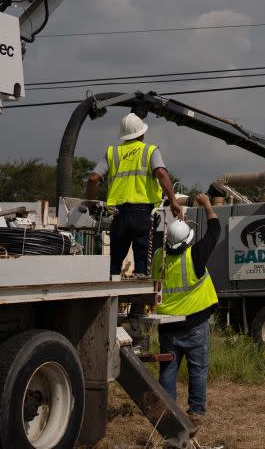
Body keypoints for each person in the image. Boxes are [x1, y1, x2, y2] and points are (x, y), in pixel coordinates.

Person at [86, 112, 183, 275]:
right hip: (142, 212)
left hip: (117, 214)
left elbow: (93, 178)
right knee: (141, 261)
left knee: (114, 262)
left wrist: (90, 202)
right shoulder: (150, 150)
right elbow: (161, 173)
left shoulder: (112, 152)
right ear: (142, 133)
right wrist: (173, 200)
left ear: (123, 135)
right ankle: (139, 295)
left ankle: (112, 291)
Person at [152, 193, 220, 419]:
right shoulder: (195, 256)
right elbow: (214, 232)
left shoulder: (158, 257)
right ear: (187, 240)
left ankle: (168, 414)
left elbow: (159, 235)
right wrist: (208, 204)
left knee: (168, 371)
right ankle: (196, 412)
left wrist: (174, 222)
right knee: (198, 370)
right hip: (195, 324)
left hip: (167, 326)